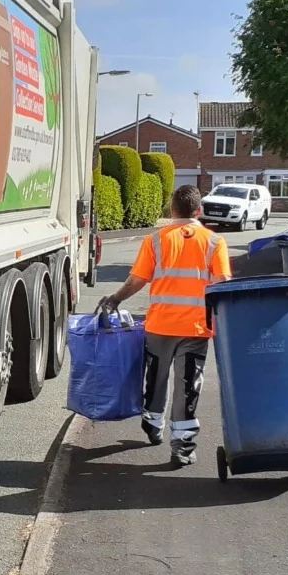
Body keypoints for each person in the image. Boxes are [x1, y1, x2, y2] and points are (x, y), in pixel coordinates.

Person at [98, 185, 231, 467]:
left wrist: (115, 299)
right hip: (196, 328)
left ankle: (152, 423)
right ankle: (182, 447)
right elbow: (222, 287)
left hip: (160, 325)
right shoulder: (214, 242)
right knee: (188, 386)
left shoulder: (156, 240)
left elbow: (137, 280)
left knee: (156, 379)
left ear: (172, 210)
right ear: (199, 211)